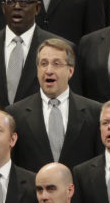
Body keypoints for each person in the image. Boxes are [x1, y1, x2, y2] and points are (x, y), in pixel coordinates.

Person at [7, 37, 103, 171]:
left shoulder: (95, 112)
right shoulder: (15, 113)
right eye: (44, 63)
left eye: (56, 64)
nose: (49, 70)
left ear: (70, 71)